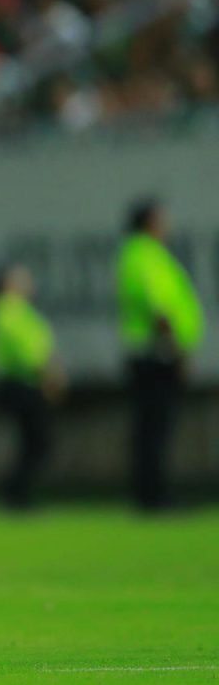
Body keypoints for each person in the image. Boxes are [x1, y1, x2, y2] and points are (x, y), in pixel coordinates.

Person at [117, 199, 205, 511]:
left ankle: (151, 495)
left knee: (152, 429)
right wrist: (177, 348)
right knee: (154, 430)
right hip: (155, 352)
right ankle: (153, 497)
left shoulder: (145, 254)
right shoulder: (144, 254)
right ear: (150, 222)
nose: (167, 225)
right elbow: (158, 308)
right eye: (162, 219)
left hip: (153, 352)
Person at [0, 265, 65, 509]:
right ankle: (15, 493)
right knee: (36, 441)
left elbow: (42, 346)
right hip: (20, 383)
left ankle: (16, 493)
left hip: (28, 382)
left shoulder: (20, 311)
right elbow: (26, 351)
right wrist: (47, 374)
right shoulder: (7, 310)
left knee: (34, 442)